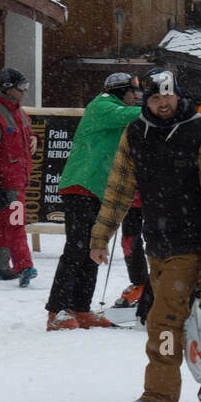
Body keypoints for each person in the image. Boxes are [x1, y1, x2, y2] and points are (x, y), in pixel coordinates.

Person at [88, 68, 201, 402]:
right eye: (154, 96)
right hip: (156, 242)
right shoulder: (136, 132)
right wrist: (100, 236)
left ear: (178, 95)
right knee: (193, 317)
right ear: (145, 99)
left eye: (168, 95)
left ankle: (158, 394)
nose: (162, 103)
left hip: (192, 241)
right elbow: (119, 188)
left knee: (163, 318)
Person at [44, 72, 142, 330]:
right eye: (134, 93)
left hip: (98, 190)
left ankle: (80, 308)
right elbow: (130, 116)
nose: (137, 99)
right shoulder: (102, 105)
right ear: (121, 91)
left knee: (92, 251)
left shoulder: (118, 112)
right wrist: (158, 107)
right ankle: (57, 310)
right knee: (76, 249)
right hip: (80, 186)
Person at [0, 67, 38, 287]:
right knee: (16, 222)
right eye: (21, 87)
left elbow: (27, 133)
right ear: (8, 89)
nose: (24, 91)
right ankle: (24, 266)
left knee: (6, 223)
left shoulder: (19, 112)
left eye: (26, 87)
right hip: (7, 180)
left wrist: (34, 138)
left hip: (20, 178)